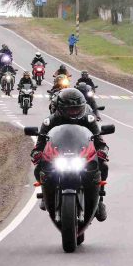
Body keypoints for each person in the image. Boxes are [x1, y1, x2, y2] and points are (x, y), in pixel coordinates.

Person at [31, 88, 108, 221]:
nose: (73, 112)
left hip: (81, 155)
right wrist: (37, 154)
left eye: (76, 109)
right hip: (59, 155)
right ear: (60, 108)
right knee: (39, 168)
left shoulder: (89, 119)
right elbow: (39, 144)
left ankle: (99, 198)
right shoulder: (50, 121)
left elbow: (100, 142)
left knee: (103, 165)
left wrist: (102, 151)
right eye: (69, 109)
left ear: (82, 107)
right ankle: (45, 194)